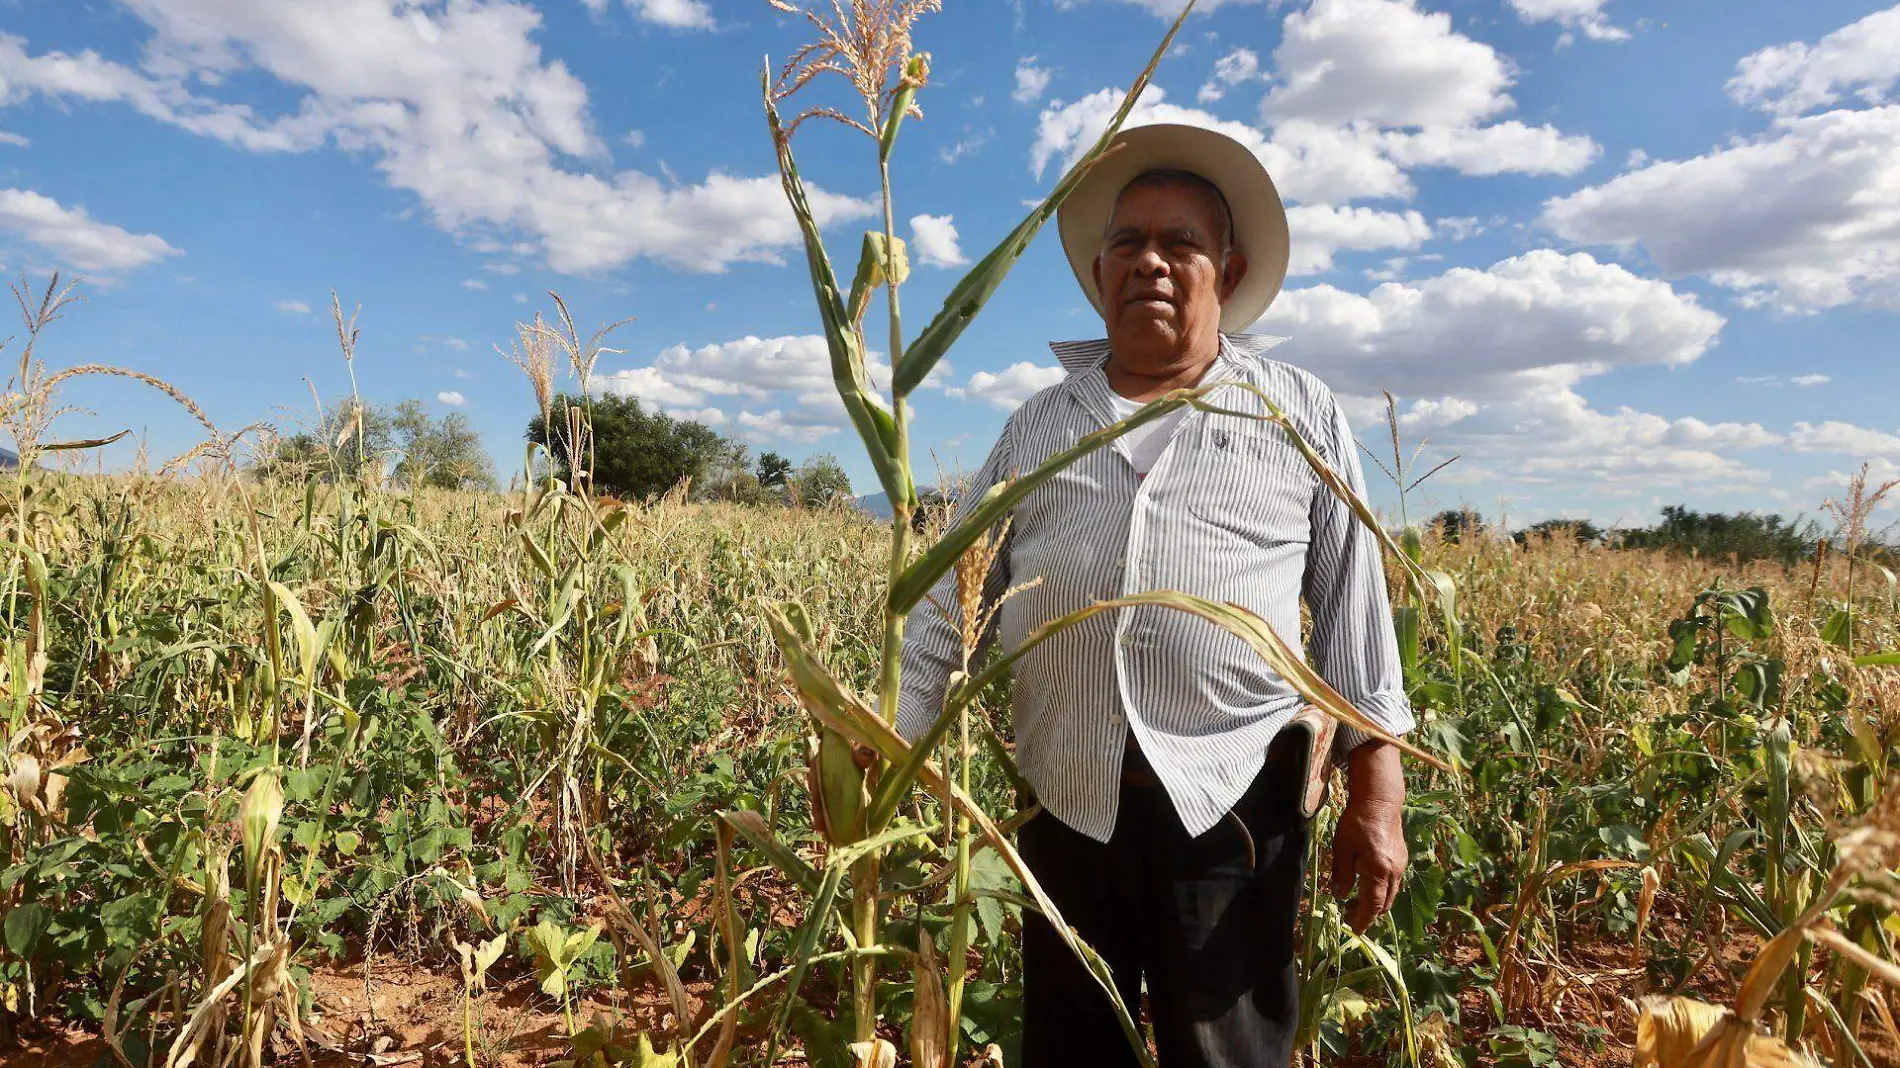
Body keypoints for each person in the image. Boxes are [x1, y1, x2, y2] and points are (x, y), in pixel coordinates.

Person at [894, 123, 1415, 1067]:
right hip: (1065, 800)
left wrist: (1377, 791)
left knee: (1228, 1053)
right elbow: (950, 604)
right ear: (1099, 275)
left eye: (1181, 244)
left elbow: (1354, 610)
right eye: (1128, 243)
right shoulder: (1041, 425)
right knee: (1071, 1045)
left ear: (1231, 266)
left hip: (1234, 806)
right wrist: (891, 741)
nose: (1152, 263)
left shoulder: (1295, 411)